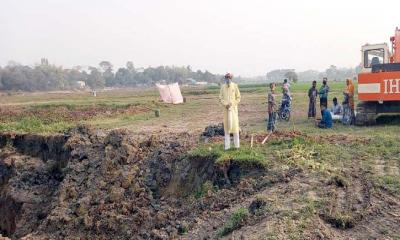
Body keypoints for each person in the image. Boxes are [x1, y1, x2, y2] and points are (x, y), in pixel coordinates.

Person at [219, 73, 241, 150]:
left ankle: (237, 146)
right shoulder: (222, 87)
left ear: (231, 79)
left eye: (229, 78)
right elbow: (220, 98)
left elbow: (238, 98)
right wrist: (225, 104)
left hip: (233, 111)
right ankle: (227, 147)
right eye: (226, 78)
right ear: (225, 78)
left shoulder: (235, 86)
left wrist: (233, 104)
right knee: (227, 129)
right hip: (226, 110)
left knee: (235, 128)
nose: (228, 79)